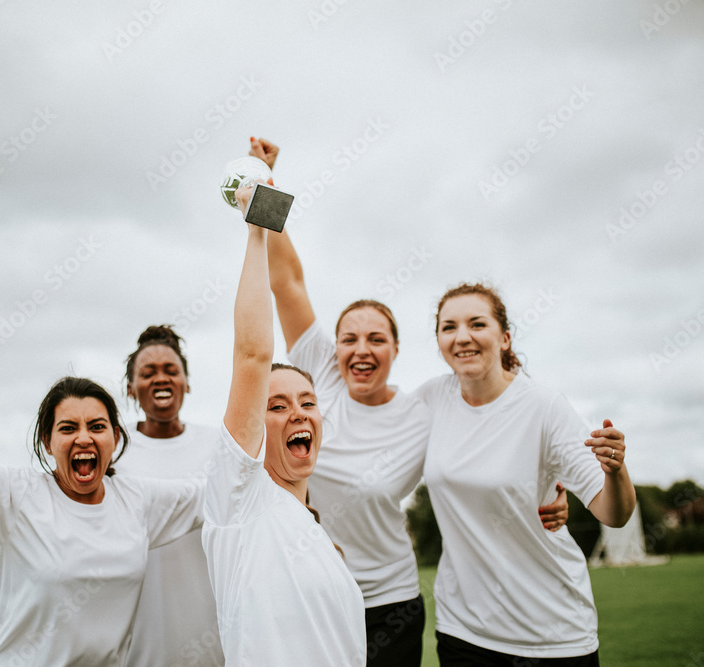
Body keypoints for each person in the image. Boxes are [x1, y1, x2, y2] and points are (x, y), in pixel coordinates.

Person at [257, 136, 569, 666]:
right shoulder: (320, 375)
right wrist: (266, 185)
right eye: (349, 339)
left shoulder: (426, 408)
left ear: (396, 349)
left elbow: (498, 419)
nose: (360, 349)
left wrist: (550, 487)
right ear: (333, 348)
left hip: (391, 603)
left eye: (376, 339)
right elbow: (285, 278)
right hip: (313, 586)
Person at [0, 322, 202, 666]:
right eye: (68, 428)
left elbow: (226, 490)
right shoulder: (11, 495)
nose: (84, 438)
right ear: (47, 442)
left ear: (116, 438)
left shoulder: (139, 499)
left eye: (97, 426)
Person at [200, 180, 367, 665]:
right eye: (276, 406)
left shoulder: (319, 537)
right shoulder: (239, 497)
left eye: (308, 402)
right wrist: (258, 226)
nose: (297, 412)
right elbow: (253, 355)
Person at [425, 283, 635, 665]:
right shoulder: (432, 400)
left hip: (553, 636)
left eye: (477, 324)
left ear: (504, 338)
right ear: (439, 340)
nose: (462, 337)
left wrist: (615, 472)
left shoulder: (545, 407)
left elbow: (614, 514)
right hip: (463, 633)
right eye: (449, 327)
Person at [117, 325, 224, 667]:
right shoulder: (113, 452)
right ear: (132, 389)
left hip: (212, 632)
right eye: (147, 373)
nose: (160, 379)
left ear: (187, 383)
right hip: (136, 638)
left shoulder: (219, 445)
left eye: (171, 370)